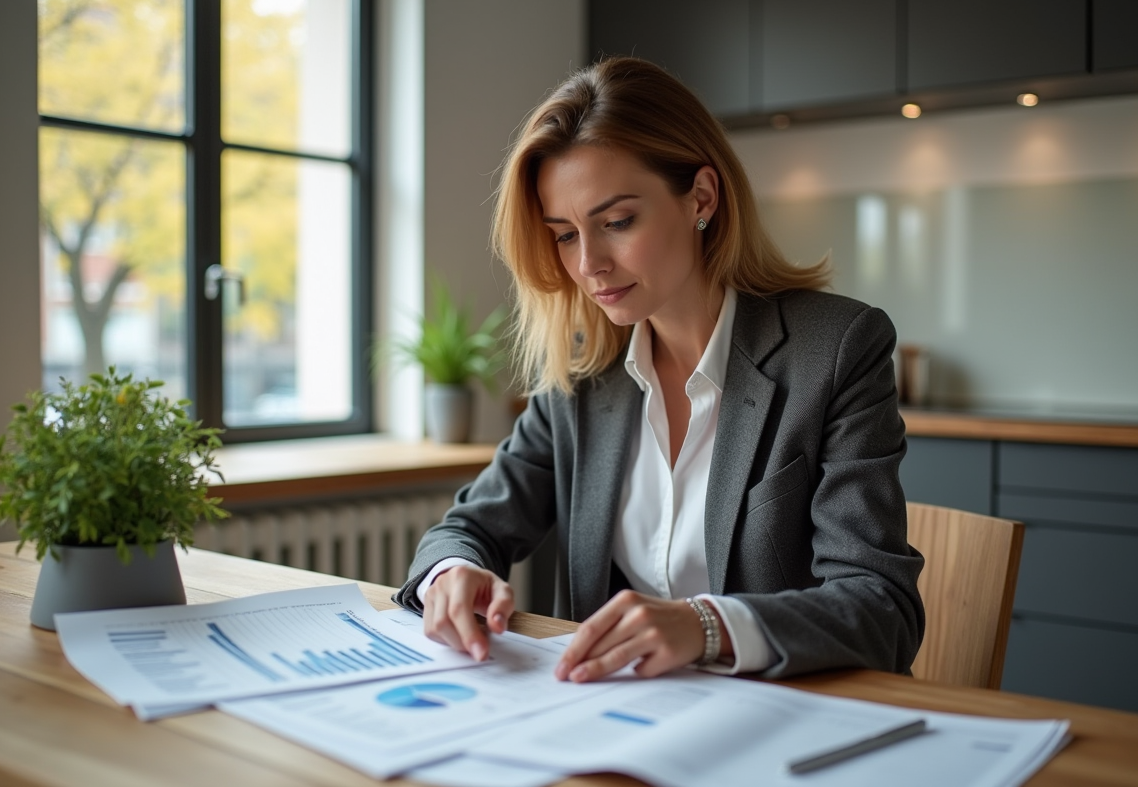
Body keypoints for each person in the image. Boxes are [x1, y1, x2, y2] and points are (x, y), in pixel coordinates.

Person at [395, 57, 924, 683]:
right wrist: (451, 574)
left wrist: (706, 628)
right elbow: (469, 527)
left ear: (701, 197)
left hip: (783, 725)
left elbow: (881, 609)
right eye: (564, 234)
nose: (589, 263)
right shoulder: (584, 375)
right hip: (623, 721)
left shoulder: (836, 348)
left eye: (617, 222)